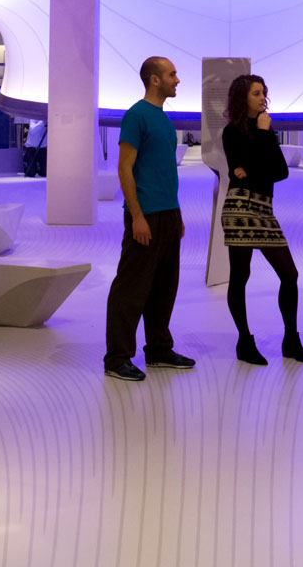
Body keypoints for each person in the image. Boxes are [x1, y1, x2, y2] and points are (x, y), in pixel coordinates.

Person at [103, 56, 194, 381]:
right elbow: (124, 168)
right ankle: (117, 358)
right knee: (131, 287)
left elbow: (164, 171)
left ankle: (158, 349)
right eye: (172, 74)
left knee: (164, 286)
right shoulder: (136, 115)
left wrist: (176, 213)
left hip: (168, 214)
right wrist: (137, 216)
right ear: (155, 79)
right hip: (146, 217)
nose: (177, 80)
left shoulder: (164, 119)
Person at [219, 74, 303, 365]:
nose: (262, 98)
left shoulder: (266, 128)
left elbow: (280, 172)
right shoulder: (232, 132)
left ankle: (291, 339)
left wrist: (251, 167)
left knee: (289, 274)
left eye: (263, 93)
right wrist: (259, 139)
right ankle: (244, 342)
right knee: (240, 276)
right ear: (242, 98)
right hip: (240, 209)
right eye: (256, 93)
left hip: (263, 209)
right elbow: (241, 169)